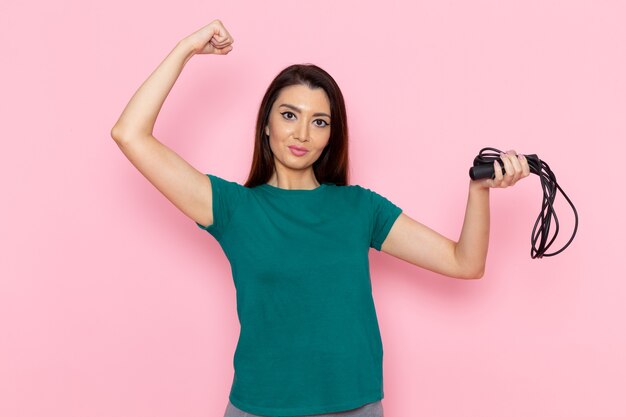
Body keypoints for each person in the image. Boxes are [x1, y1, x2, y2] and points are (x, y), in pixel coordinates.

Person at [111, 19, 530, 417]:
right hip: (261, 406)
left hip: (355, 407)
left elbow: (465, 262)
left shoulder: (359, 208)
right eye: (289, 115)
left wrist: (479, 192)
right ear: (266, 124)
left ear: (331, 136)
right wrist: (186, 49)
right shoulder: (232, 207)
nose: (302, 134)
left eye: (319, 122)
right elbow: (129, 133)